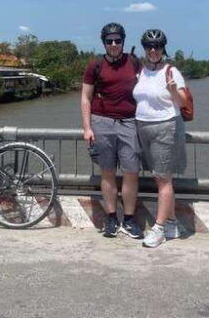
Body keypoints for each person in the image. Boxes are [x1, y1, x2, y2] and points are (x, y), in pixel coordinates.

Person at [81, 22, 144, 239]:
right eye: (110, 41)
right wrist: (87, 127)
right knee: (107, 172)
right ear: (104, 43)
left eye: (118, 40)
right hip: (102, 122)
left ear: (123, 41)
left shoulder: (135, 63)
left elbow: (149, 90)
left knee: (131, 172)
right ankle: (110, 217)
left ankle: (128, 218)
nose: (114, 44)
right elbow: (85, 98)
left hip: (129, 122)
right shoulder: (94, 66)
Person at [133, 28, 188, 248]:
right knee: (159, 178)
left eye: (157, 46)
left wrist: (173, 90)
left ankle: (159, 229)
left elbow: (183, 102)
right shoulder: (142, 71)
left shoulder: (171, 71)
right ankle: (173, 223)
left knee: (163, 179)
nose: (153, 50)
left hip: (166, 126)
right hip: (143, 126)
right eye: (149, 47)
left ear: (164, 48)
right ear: (145, 49)